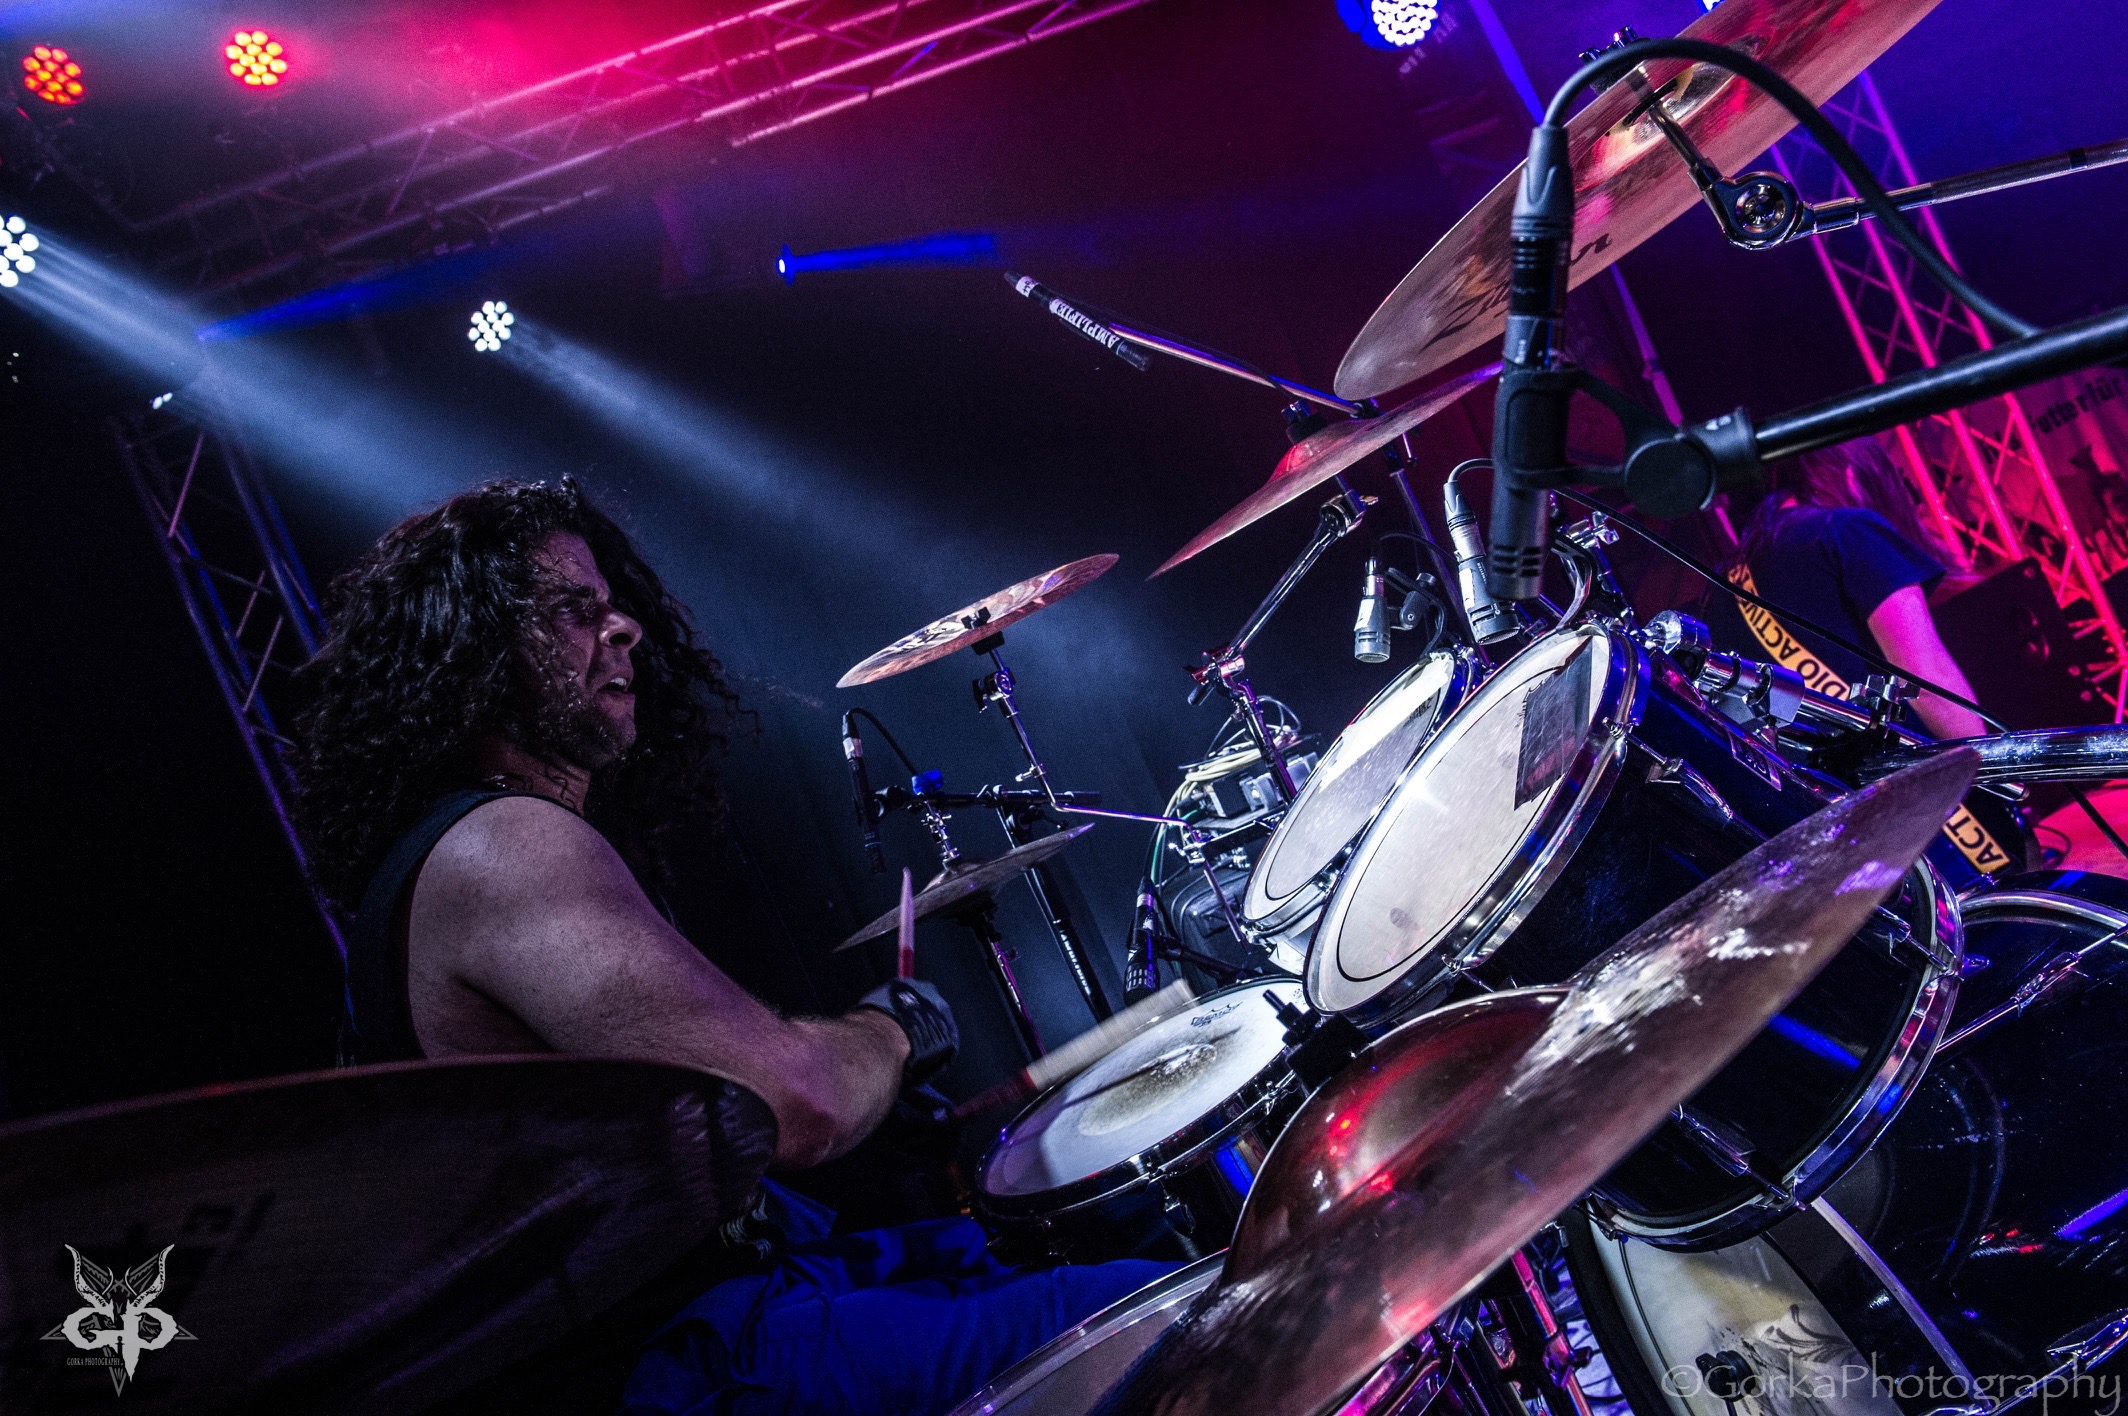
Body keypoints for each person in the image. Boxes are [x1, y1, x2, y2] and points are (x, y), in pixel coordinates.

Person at [290, 479, 1169, 1415]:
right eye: (573, 610)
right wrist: (895, 1030)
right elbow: (798, 1105)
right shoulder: (504, 845)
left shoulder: (467, 853)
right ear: (474, 650)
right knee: (1156, 1318)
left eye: (612, 604)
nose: (623, 627)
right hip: (672, 1362)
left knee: (1064, 1242)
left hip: (721, 1308)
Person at [1709, 435, 1989, 741]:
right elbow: (1926, 678)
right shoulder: (1849, 531)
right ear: (1854, 476)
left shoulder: (1725, 577)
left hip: (1793, 768)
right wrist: (1989, 764)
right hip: (1898, 763)